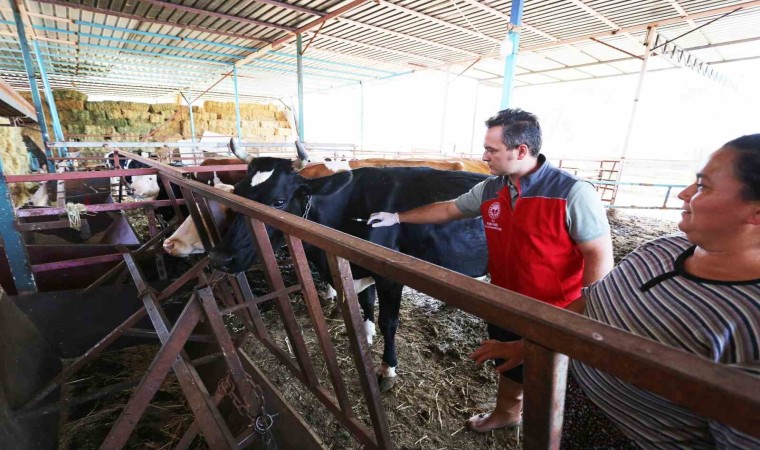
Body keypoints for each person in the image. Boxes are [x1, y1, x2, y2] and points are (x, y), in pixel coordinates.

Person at [369, 108, 614, 432]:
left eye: (491, 150)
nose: (483, 156)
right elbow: (449, 209)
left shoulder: (572, 193)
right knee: (510, 363)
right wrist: (398, 217)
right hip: (504, 299)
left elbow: (599, 257)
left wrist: (576, 319)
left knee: (555, 377)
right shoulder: (491, 189)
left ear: (521, 151)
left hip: (554, 310)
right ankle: (507, 413)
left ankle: (549, 431)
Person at [567, 134, 760, 448]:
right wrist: (534, 342)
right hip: (572, 400)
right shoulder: (661, 248)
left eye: (702, 186)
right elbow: (591, 301)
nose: (684, 194)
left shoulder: (750, 321)